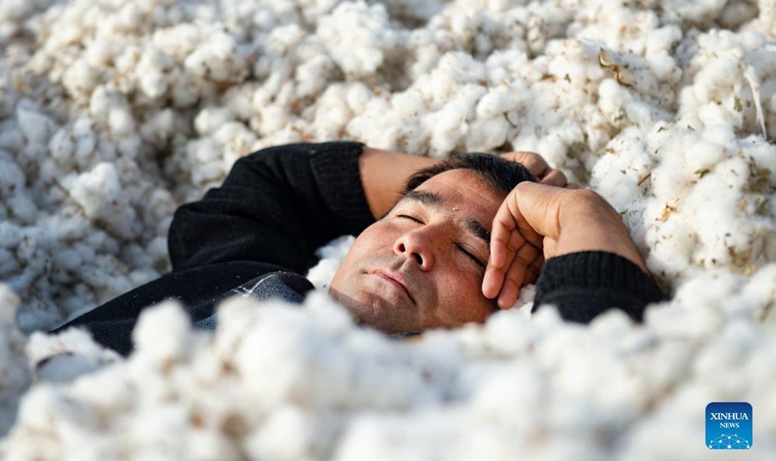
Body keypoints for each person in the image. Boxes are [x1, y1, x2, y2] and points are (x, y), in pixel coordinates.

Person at [54, 141, 663, 355]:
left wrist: (580, 214)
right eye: (408, 215)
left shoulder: (454, 406)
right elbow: (273, 182)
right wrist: (472, 168)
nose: (415, 241)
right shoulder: (237, 280)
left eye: (473, 253)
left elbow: (593, 363)